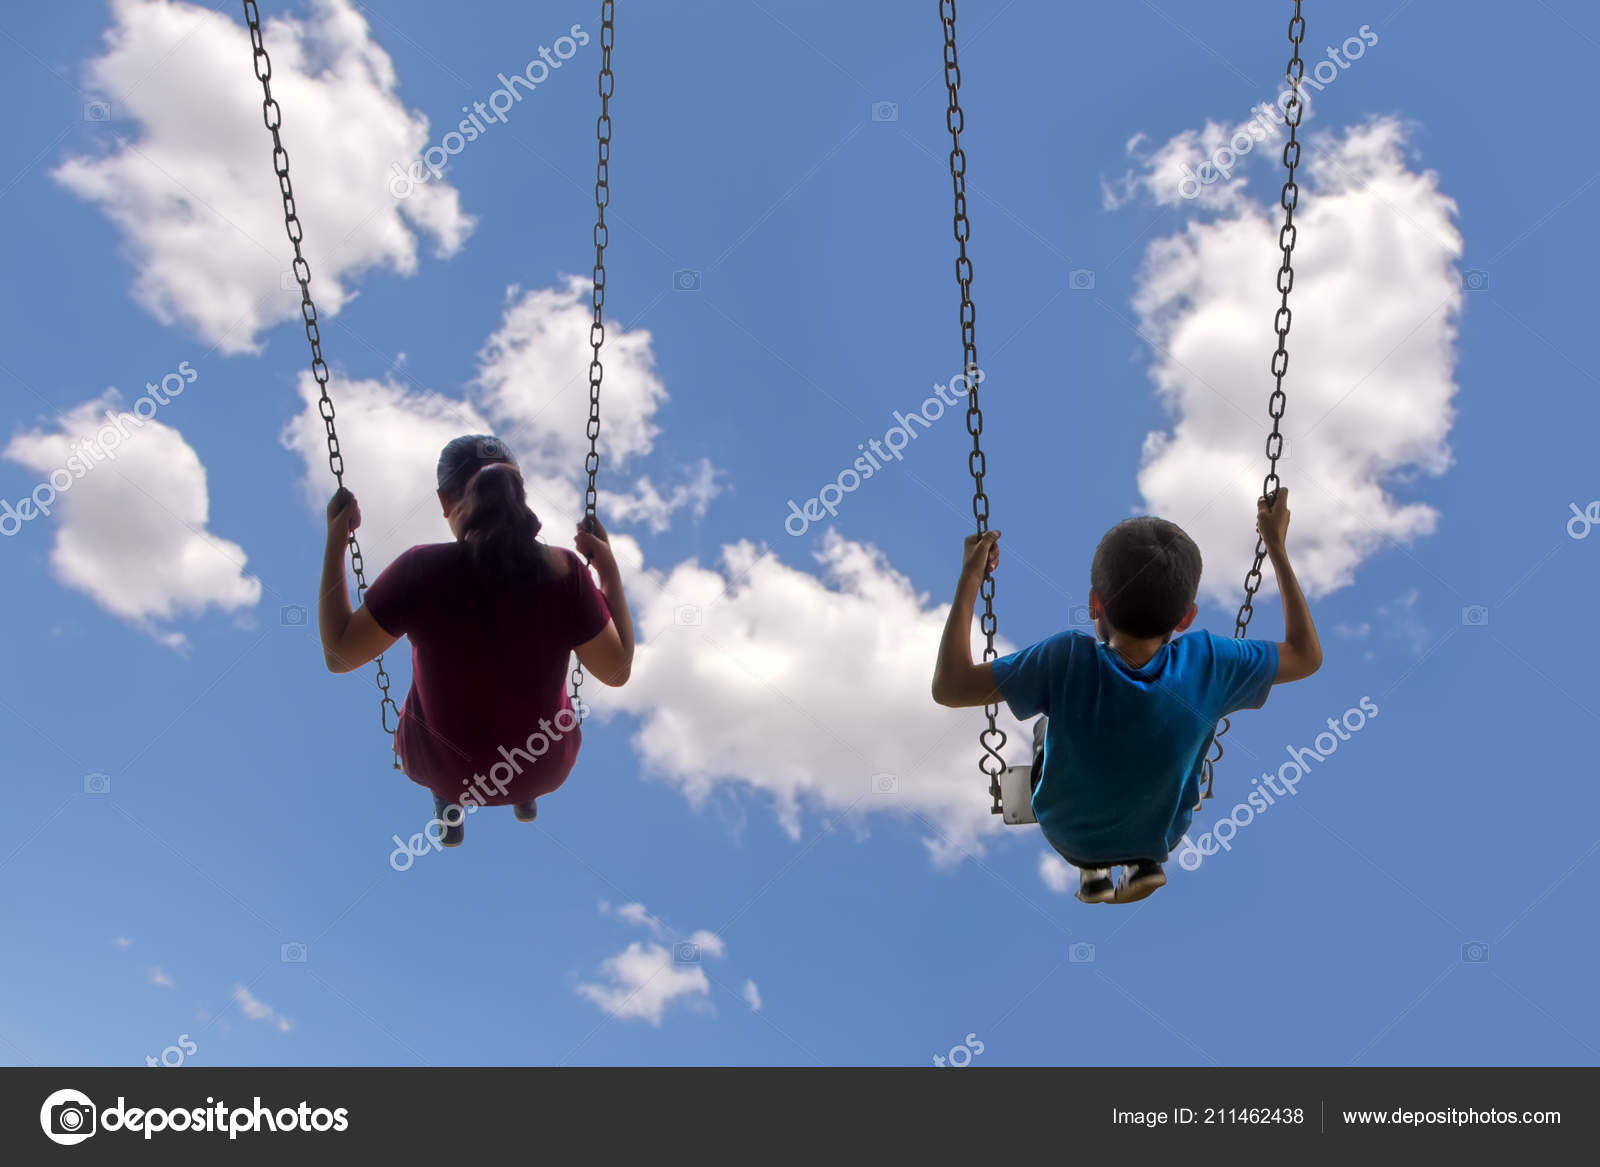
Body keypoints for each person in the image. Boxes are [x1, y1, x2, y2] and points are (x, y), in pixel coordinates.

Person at [931, 492, 1321, 903]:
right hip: (1159, 833)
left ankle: (1091, 870)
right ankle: (1143, 866)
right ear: (1187, 617)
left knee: (1046, 726)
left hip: (1069, 833)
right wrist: (1276, 547)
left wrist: (970, 578)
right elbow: (1305, 655)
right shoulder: (1212, 661)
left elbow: (950, 686)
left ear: (1094, 604)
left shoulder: (1064, 660)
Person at [316, 435, 634, 847]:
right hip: (545, 766)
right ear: (518, 495)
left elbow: (339, 656)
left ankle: (449, 802)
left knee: (425, 699)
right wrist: (608, 570)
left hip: (442, 770)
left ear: (445, 502)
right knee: (545, 705)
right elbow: (617, 670)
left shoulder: (421, 569)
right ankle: (524, 793)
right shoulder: (564, 570)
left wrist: (336, 537)